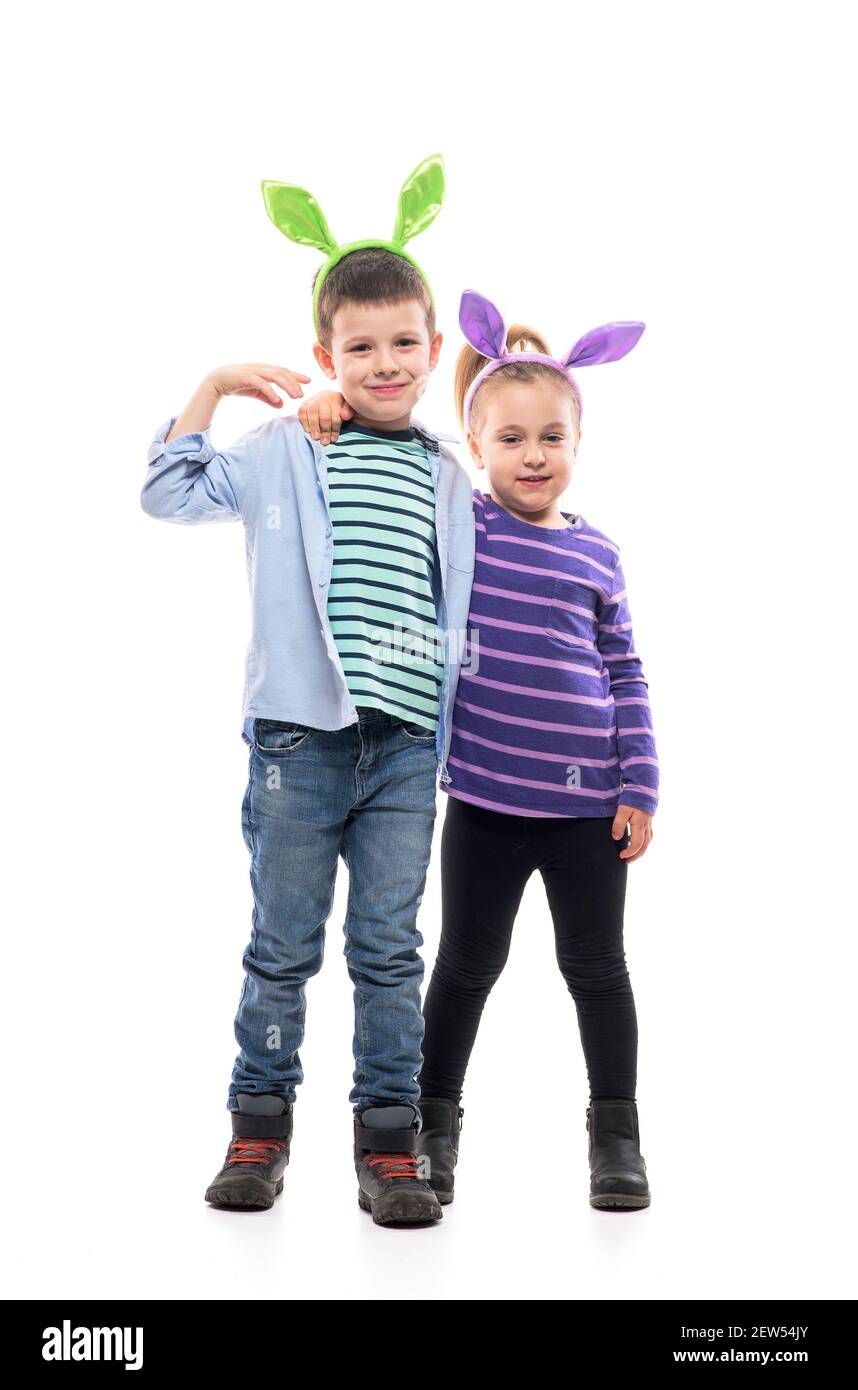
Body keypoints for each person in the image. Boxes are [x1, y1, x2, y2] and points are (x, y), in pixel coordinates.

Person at [139, 154, 474, 1227]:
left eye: (402, 343)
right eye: (359, 346)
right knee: (281, 944)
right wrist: (218, 385)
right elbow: (167, 489)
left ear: (428, 351)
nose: (382, 362)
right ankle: (257, 1129)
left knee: (387, 948)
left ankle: (389, 1143)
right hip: (298, 741)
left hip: (405, 746)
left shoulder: (444, 472)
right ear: (324, 354)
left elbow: (468, 601)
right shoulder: (290, 447)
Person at [300, 287, 659, 1211]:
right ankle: (431, 1127)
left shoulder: (599, 556)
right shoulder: (463, 524)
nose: (532, 456)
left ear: (578, 446)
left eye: (551, 439)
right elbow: (385, 451)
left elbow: (626, 673)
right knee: (463, 965)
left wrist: (640, 787)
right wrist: (326, 406)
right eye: (509, 439)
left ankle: (615, 1136)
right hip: (487, 803)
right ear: (476, 447)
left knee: (597, 968)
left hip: (587, 807)